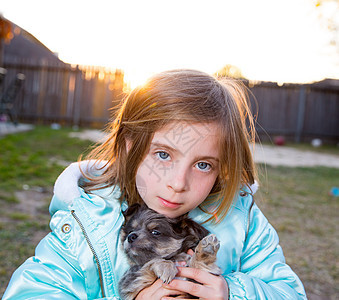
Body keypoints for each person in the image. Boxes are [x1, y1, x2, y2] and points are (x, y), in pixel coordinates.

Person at [3, 69, 307, 299]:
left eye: (203, 165)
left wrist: (231, 293)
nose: (178, 183)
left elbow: (289, 292)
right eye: (163, 155)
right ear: (127, 147)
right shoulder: (86, 223)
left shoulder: (243, 219)